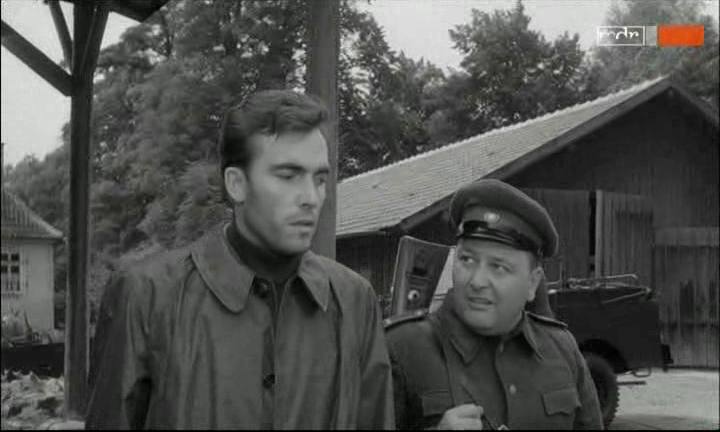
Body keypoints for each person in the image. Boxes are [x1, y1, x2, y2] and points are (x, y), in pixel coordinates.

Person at [85, 90, 394, 430]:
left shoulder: (355, 302)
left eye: (320, 179)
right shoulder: (146, 297)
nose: (311, 197)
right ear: (236, 184)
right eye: (288, 176)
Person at [385, 179, 603, 430]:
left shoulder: (562, 349)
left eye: (498, 267)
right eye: (467, 260)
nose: (477, 281)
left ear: (532, 283)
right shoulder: (401, 348)